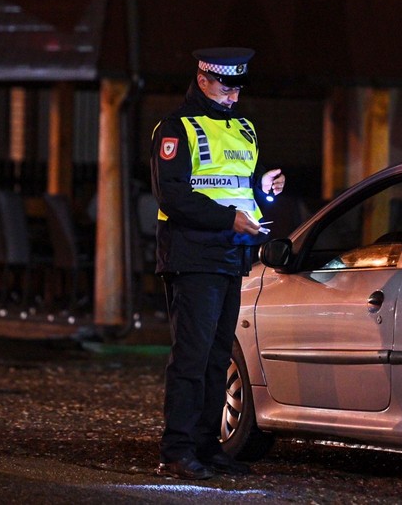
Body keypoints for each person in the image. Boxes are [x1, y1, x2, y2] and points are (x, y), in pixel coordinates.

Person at [150, 47, 285, 480]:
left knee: (214, 358)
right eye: (226, 88)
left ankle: (207, 447)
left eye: (238, 89)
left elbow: (245, 185)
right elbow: (172, 196)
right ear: (204, 80)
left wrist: (266, 187)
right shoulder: (175, 128)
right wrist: (229, 218)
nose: (233, 97)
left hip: (231, 255)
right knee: (191, 357)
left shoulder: (245, 128)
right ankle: (177, 450)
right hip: (192, 255)